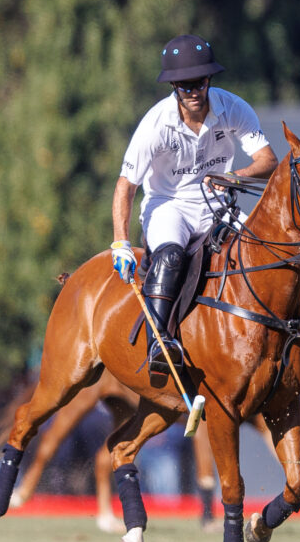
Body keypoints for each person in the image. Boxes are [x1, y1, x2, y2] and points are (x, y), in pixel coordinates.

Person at [111, 34, 279, 377]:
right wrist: (120, 242)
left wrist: (233, 178)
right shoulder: (156, 124)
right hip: (168, 205)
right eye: (184, 85)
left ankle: (285, 343)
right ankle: (159, 345)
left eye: (199, 83)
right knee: (171, 256)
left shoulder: (232, 108)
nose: (192, 91)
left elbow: (269, 161)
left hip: (216, 202)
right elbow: (126, 186)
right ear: (174, 85)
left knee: (265, 249)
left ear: (208, 80)